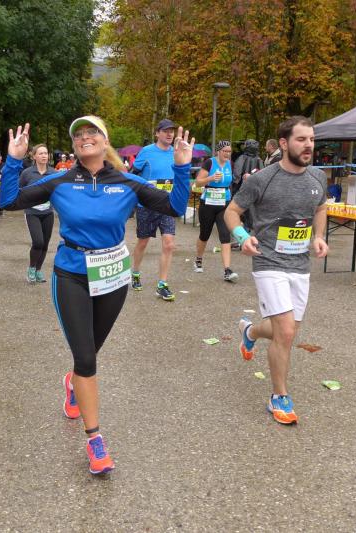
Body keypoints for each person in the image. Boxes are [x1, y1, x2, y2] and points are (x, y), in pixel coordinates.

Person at [0, 116, 192, 474]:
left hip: (112, 275)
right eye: (79, 135)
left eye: (92, 133)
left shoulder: (128, 182)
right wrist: (13, 160)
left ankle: (73, 382)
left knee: (91, 349)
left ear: (105, 142)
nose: (85, 138)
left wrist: (182, 168)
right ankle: (95, 439)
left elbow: (176, 207)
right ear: (74, 146)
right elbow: (9, 201)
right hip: (71, 273)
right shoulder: (59, 181)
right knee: (86, 357)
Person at [225, 116, 328, 425]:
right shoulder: (262, 179)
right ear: (283, 143)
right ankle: (279, 396)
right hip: (268, 261)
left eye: (311, 139)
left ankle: (250, 332)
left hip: (300, 264)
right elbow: (232, 211)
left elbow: (321, 207)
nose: (308, 145)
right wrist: (242, 237)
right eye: (301, 139)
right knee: (285, 331)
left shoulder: (318, 177)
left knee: (288, 331)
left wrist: (319, 236)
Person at [131, 118, 182, 301]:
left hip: (167, 205)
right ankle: (135, 273)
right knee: (143, 242)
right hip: (147, 204)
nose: (169, 134)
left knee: (169, 243)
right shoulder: (146, 152)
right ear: (157, 133)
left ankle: (162, 284)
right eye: (165, 131)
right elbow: (133, 175)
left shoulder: (176, 153)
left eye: (171, 131)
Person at [193, 141, 239, 282]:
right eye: (225, 151)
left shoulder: (230, 164)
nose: (227, 154)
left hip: (224, 203)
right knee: (204, 234)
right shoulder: (209, 163)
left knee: (225, 236)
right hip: (208, 203)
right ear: (218, 151)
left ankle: (227, 270)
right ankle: (198, 259)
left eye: (229, 151)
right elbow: (198, 182)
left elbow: (233, 181)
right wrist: (211, 178)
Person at [19, 144, 56, 283]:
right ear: (34, 156)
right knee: (38, 242)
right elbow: (20, 190)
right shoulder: (27, 173)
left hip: (48, 212)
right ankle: (31, 268)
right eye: (40, 153)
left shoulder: (53, 173)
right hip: (32, 212)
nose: (44, 156)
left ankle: (38, 270)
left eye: (46, 153)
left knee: (45, 244)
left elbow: (58, 192)